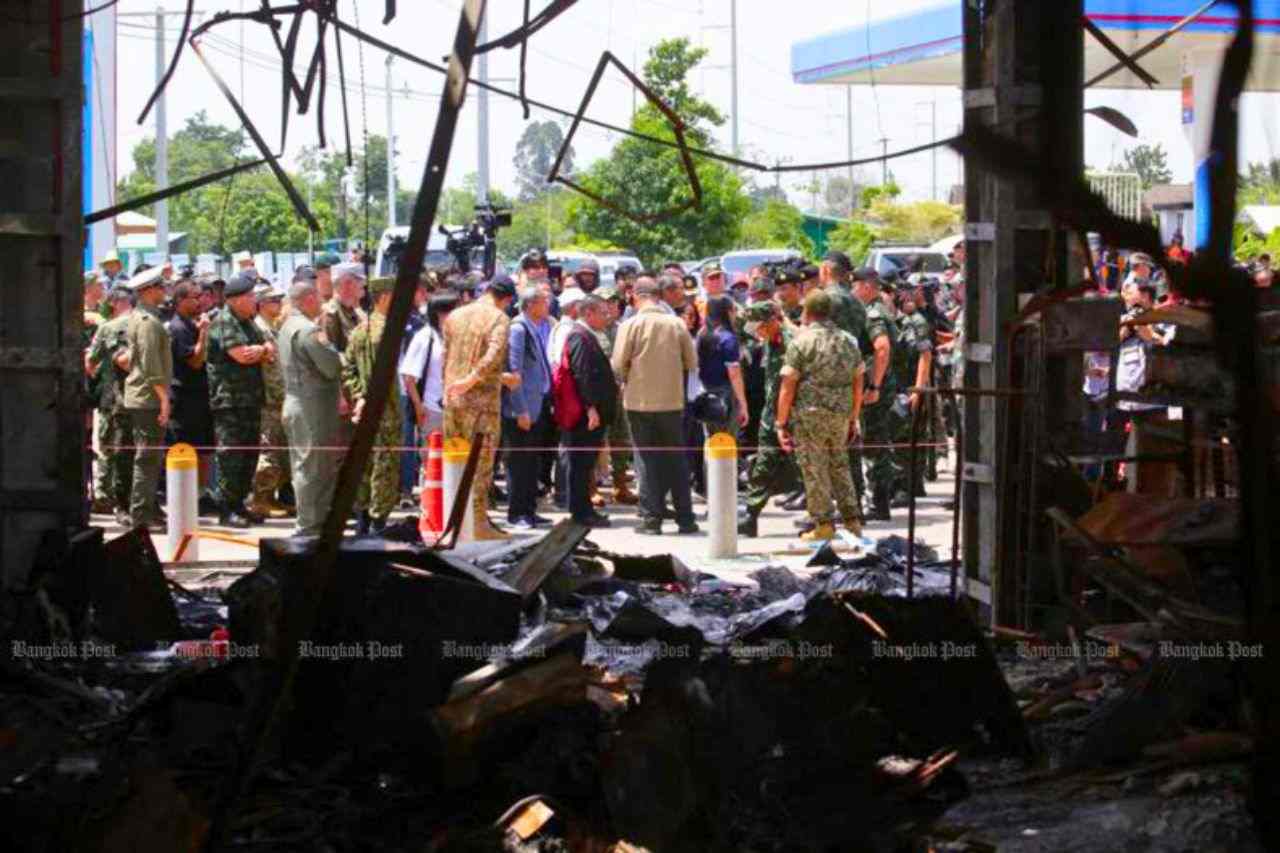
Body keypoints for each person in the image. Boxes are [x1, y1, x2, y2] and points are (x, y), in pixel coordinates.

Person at [775, 290, 865, 541]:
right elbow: (859, 381)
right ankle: (852, 520)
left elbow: (788, 386)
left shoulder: (801, 342)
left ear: (807, 312)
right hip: (840, 414)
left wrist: (781, 423)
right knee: (840, 465)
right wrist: (853, 416)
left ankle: (823, 524)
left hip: (809, 416)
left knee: (814, 469)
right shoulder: (849, 340)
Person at [612, 277, 699, 534]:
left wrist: (632, 376)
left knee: (646, 460)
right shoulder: (676, 324)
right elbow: (691, 362)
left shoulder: (630, 325)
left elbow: (618, 364)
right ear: (658, 296)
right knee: (676, 459)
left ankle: (651, 520)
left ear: (636, 297)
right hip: (672, 402)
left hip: (639, 402)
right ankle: (686, 518)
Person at [442, 274, 518, 540]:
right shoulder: (499, 318)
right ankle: (476, 523)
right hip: (482, 405)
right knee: (480, 464)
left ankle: (452, 520)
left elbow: (446, 356)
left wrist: (452, 387)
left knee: (454, 462)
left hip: (453, 400)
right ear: (506, 299)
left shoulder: (455, 316)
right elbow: (495, 353)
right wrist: (472, 379)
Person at [277, 281, 343, 537]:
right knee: (313, 468)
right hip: (311, 406)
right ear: (307, 299)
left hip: (299, 402)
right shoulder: (307, 331)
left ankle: (313, 523)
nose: (321, 303)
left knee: (308, 466)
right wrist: (341, 357)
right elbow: (331, 366)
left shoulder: (287, 327)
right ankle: (309, 526)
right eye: (316, 298)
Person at [207, 272, 271, 528]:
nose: (255, 300)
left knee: (249, 453)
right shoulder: (224, 321)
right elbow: (241, 356)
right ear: (235, 299)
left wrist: (262, 350)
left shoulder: (248, 322)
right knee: (231, 454)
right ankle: (226, 508)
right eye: (250, 296)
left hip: (250, 398)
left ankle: (239, 504)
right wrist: (261, 351)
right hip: (229, 400)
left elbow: (270, 349)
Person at [340, 277, 402, 535]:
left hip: (364, 409)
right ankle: (378, 522)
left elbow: (347, 369)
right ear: (385, 298)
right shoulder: (386, 331)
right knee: (384, 466)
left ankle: (363, 519)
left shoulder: (358, 331)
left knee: (365, 464)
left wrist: (358, 397)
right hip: (385, 409)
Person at [737, 301, 802, 537]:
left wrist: (786, 418)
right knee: (763, 463)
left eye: (761, 327)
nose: (758, 333)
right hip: (771, 413)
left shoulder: (794, 340)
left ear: (773, 320)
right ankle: (751, 516)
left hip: (794, 414)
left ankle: (823, 517)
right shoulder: (769, 341)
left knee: (807, 466)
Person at [559, 294, 618, 528]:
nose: (607, 317)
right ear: (589, 314)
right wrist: (590, 407)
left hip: (593, 413)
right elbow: (581, 374)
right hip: (585, 415)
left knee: (586, 462)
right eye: (603, 313)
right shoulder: (579, 337)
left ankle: (584, 509)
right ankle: (581, 512)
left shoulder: (588, 335)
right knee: (581, 463)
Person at [121, 266, 173, 530]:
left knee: (148, 457)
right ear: (148, 291)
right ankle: (140, 517)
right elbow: (151, 365)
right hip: (148, 397)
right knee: (147, 459)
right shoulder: (148, 323)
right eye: (160, 287)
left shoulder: (141, 318)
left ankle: (147, 511)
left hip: (144, 395)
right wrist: (164, 399)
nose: (164, 291)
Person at [502, 286, 554, 530]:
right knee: (518, 462)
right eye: (544, 301)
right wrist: (520, 409)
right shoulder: (518, 329)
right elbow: (514, 372)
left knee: (531, 461)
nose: (548, 305)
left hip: (537, 404)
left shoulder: (535, 327)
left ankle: (529, 509)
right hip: (522, 409)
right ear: (531, 305)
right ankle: (517, 512)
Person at [853, 270, 901, 521]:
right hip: (883, 384)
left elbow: (882, 348)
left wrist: (874, 386)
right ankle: (881, 501)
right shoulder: (881, 309)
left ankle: (880, 502)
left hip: (877, 387)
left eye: (856, 286)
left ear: (867, 287)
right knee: (878, 441)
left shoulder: (873, 313)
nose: (853, 292)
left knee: (875, 443)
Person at [86, 285, 136, 523]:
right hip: (133, 398)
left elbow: (90, 361)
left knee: (108, 448)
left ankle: (105, 497)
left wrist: (99, 378)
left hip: (111, 396)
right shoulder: (142, 324)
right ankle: (114, 498)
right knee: (124, 449)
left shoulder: (106, 328)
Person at [166, 279, 214, 502]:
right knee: (187, 447)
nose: (200, 301)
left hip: (200, 395)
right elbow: (195, 361)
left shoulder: (191, 324)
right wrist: (204, 332)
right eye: (195, 297)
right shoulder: (178, 327)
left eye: (201, 296)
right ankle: (184, 497)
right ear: (180, 300)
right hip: (185, 398)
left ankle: (201, 495)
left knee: (204, 447)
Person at [248, 283, 291, 519]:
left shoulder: (272, 328)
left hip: (278, 397)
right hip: (268, 398)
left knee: (278, 450)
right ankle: (260, 499)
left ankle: (270, 497)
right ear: (262, 304)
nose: (279, 304)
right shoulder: (259, 329)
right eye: (274, 300)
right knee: (269, 450)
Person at [890, 284, 935, 506]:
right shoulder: (899, 323)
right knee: (910, 436)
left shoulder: (915, 322)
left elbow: (925, 355)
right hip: (902, 386)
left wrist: (917, 389)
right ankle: (913, 484)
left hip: (910, 387)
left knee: (904, 438)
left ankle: (905, 489)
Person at [401, 290, 458, 444]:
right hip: (432, 410)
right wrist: (419, 407)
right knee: (434, 462)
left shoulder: (456, 336)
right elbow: (409, 378)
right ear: (440, 314)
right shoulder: (425, 337)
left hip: (456, 410)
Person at [696, 294, 750, 442]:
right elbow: (735, 375)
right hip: (726, 396)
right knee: (727, 440)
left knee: (712, 439)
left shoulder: (702, 335)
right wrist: (743, 404)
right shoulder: (728, 338)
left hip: (706, 393)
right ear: (727, 312)